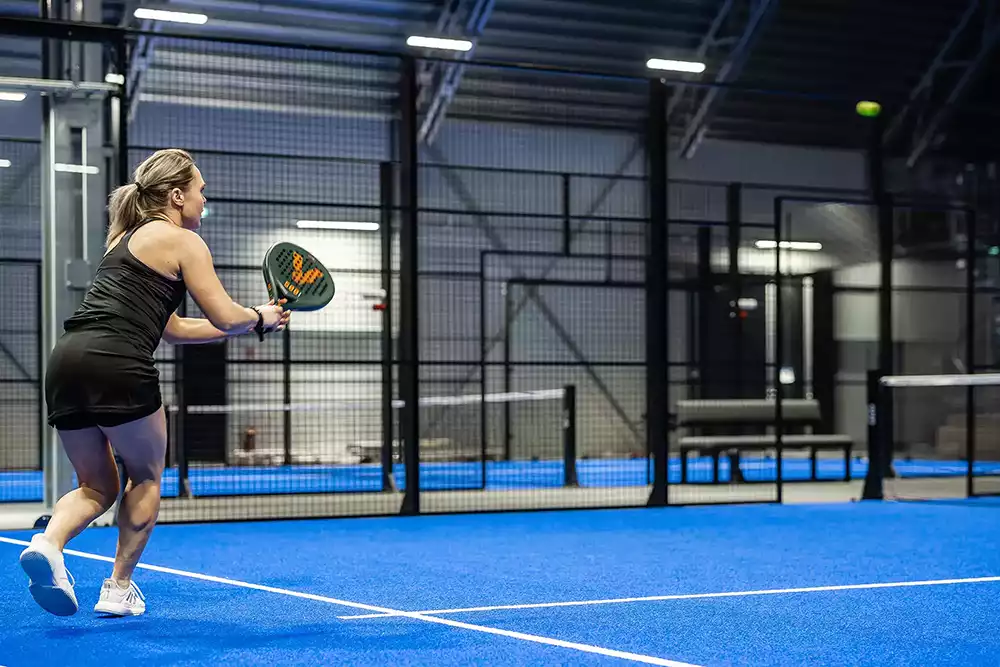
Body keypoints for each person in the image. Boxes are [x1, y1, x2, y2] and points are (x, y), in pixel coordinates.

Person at [18, 148, 289, 617]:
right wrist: (258, 316)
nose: (205, 201)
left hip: (67, 361)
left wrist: (255, 324)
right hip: (119, 362)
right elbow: (224, 316)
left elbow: (176, 329)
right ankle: (118, 588)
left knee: (95, 486)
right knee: (144, 475)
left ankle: (49, 543)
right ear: (178, 195)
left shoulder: (124, 239)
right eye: (201, 191)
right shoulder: (184, 242)